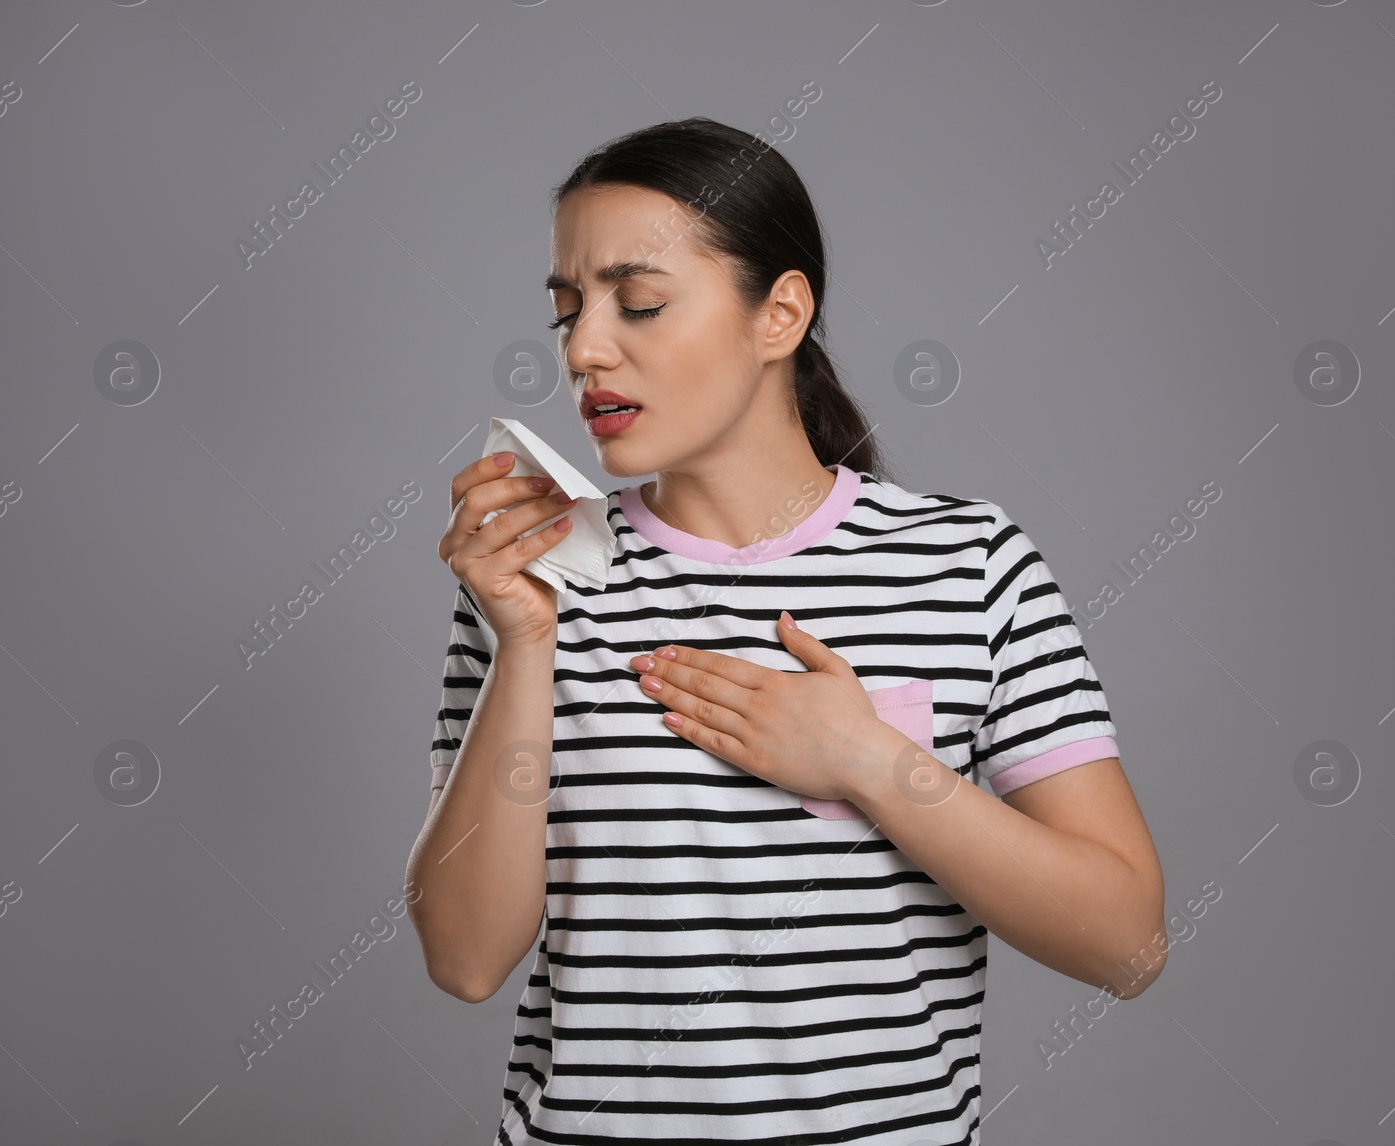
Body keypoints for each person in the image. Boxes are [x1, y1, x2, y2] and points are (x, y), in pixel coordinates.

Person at [406, 116, 1165, 1145]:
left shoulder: (970, 565)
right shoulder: (530, 581)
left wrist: (866, 761)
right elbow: (464, 959)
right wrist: (527, 644)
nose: (585, 348)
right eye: (568, 310)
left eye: (638, 303)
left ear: (781, 314)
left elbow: (1127, 946)